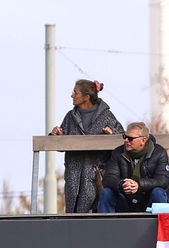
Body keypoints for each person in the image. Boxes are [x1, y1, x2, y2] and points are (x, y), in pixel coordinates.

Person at [50, 79, 124, 213]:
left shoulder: (106, 116)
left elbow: (124, 139)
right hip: (74, 175)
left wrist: (113, 134)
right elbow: (60, 146)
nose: (72, 95)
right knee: (73, 212)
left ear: (86, 97)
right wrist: (56, 135)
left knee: (95, 210)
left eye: (75, 92)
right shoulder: (70, 117)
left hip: (95, 175)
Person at [98, 122, 169, 212]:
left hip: (148, 200)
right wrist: (122, 184)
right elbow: (108, 178)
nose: (126, 140)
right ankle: (105, 225)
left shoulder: (159, 152)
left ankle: (160, 225)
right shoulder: (118, 152)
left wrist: (139, 185)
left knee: (158, 192)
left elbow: (163, 180)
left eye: (131, 138)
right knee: (107, 193)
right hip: (125, 200)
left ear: (143, 140)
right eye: (125, 137)